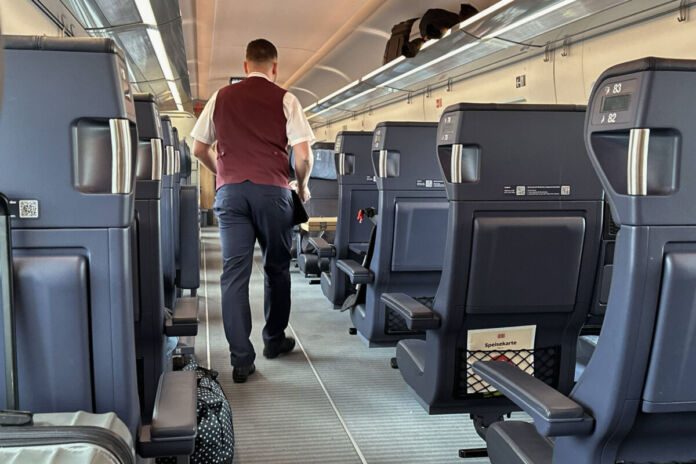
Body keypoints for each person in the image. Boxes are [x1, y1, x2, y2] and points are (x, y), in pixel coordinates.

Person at [190, 38, 315, 383]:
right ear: (275, 67)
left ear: (245, 67)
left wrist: (223, 174)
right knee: (276, 269)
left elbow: (199, 147)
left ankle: (241, 359)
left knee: (234, 276)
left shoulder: (220, 98)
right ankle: (274, 341)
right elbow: (303, 156)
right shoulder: (287, 98)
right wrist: (301, 186)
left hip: (230, 194)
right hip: (274, 192)